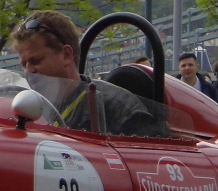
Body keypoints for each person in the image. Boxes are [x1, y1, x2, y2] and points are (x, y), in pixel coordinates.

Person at [9, 11, 159, 136]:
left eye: (36, 60)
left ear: (66, 55)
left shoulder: (119, 109)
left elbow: (148, 163)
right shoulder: (26, 110)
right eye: (24, 64)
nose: (28, 71)